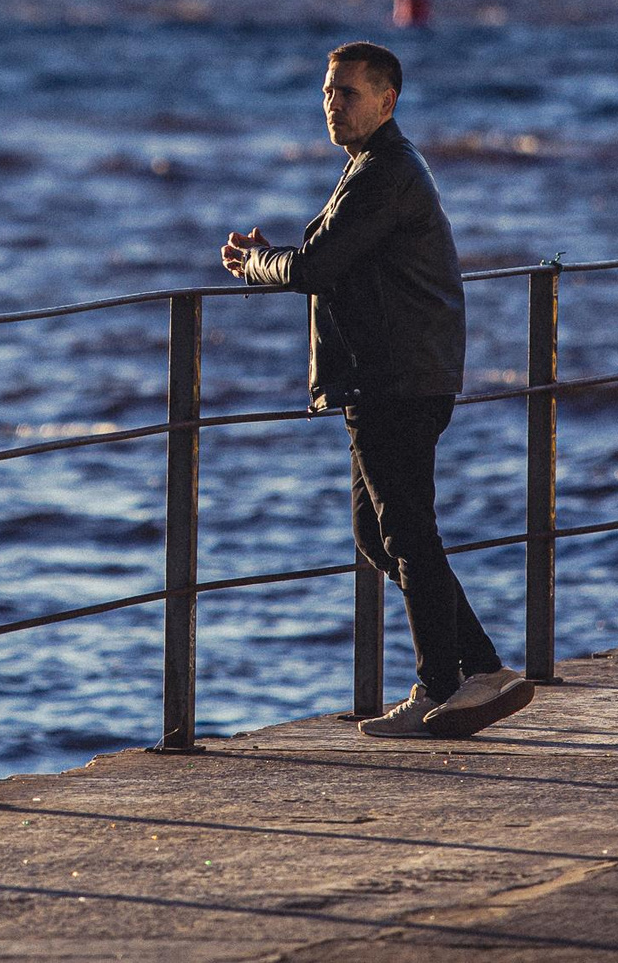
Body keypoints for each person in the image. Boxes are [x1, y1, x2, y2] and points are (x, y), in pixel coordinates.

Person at [221, 40, 532, 739]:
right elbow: (333, 257)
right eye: (328, 91)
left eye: (348, 92)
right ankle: (480, 667)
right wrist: (276, 257)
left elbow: (317, 266)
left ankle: (438, 685)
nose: (333, 103)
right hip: (394, 372)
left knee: (406, 528)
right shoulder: (371, 168)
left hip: (395, 377)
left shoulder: (386, 170)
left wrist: (253, 263)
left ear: (386, 100)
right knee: (379, 530)